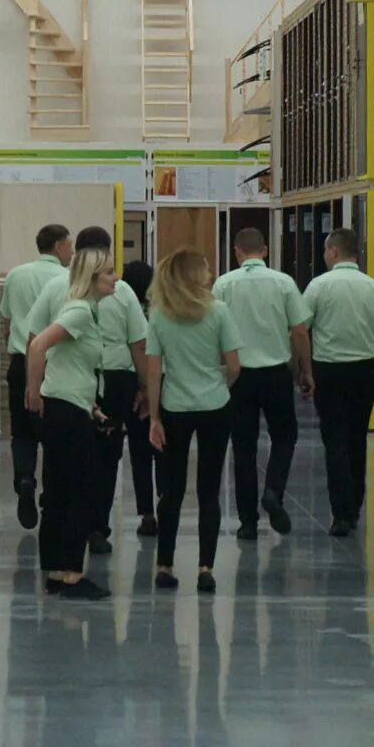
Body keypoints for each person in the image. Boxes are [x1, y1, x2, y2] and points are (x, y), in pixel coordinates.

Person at [23, 244, 119, 601]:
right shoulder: (79, 311)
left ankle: (56, 571)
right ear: (92, 279)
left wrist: (91, 405)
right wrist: (34, 392)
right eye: (108, 273)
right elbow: (38, 347)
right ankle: (73, 574)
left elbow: (72, 364)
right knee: (84, 490)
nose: (115, 278)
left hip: (72, 405)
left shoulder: (87, 311)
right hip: (63, 411)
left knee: (60, 491)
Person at [140, 249, 240, 591]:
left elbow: (154, 370)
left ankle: (165, 565)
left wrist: (154, 416)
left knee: (171, 490)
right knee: (209, 491)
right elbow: (235, 364)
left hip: (175, 407)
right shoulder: (218, 311)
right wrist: (219, 384)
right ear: (196, 275)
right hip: (215, 406)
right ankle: (206, 568)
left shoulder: (159, 315)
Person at [214, 228, 310, 539]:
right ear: (265, 250)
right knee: (284, 437)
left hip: (238, 375)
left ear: (237, 252)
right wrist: (304, 369)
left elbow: (214, 329)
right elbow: (299, 331)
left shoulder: (224, 284)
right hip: (275, 374)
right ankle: (273, 491)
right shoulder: (283, 283)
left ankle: (247, 522)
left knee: (243, 447)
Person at [303, 229, 374, 536]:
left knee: (335, 443)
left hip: (328, 372)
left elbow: (300, 329)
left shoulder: (318, 286)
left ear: (333, 252)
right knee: (357, 440)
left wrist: (303, 372)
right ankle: (355, 505)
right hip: (363, 372)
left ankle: (341, 513)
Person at [77, 229, 154, 546]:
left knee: (78, 452)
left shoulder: (64, 287)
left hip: (77, 378)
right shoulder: (121, 292)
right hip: (117, 378)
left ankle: (73, 521)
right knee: (109, 455)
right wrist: (146, 387)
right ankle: (98, 527)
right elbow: (139, 344)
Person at [0, 225, 71, 530]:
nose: (72, 251)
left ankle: (25, 479)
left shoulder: (15, 275)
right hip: (56, 363)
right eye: (69, 245)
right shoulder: (66, 279)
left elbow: (7, 319)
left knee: (23, 431)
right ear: (57, 246)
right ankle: (51, 493)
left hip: (20, 360)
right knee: (54, 433)